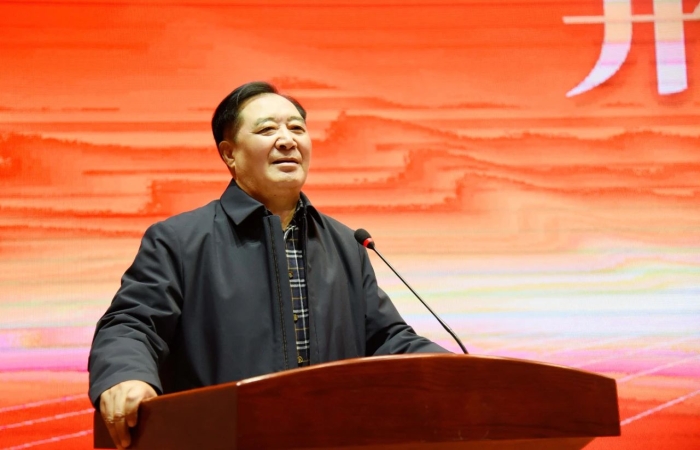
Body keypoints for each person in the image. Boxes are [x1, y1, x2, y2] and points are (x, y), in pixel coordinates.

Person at [88, 81, 451, 449]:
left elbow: (387, 340)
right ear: (229, 154)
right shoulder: (179, 241)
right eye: (267, 130)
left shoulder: (346, 244)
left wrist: (459, 374)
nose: (287, 140)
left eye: (297, 128)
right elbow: (133, 324)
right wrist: (126, 375)